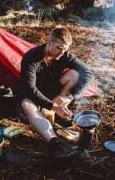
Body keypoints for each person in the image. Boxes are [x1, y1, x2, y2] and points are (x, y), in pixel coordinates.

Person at [19, 26, 94, 158]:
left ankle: (59, 112)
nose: (61, 53)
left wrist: (70, 97)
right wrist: (52, 106)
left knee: (75, 74)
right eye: (59, 48)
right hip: (34, 95)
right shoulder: (31, 57)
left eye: (65, 49)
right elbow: (30, 89)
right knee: (26, 105)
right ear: (50, 42)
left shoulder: (64, 55)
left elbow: (88, 74)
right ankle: (55, 143)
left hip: (52, 92)